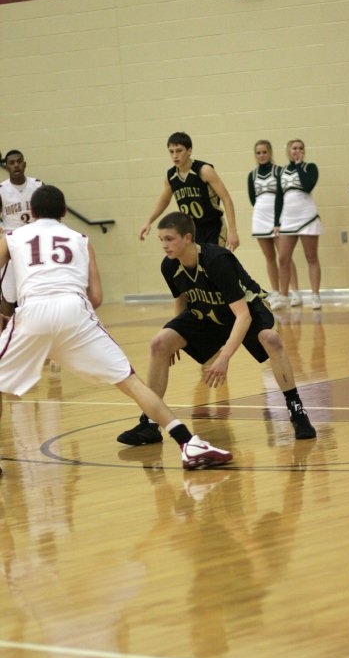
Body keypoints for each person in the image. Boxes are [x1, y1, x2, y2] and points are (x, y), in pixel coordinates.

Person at [0, 184, 232, 471]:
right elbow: (96, 297)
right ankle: (188, 444)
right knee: (131, 382)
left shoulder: (11, 236)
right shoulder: (82, 239)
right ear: (63, 212)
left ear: (31, 212)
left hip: (33, 311)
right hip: (74, 310)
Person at [117, 211, 316, 446]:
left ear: (188, 238)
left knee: (271, 339)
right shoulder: (169, 266)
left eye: (169, 239)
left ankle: (297, 410)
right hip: (209, 311)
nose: (164, 245)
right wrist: (176, 332)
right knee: (159, 343)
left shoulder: (216, 260)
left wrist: (224, 357)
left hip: (246, 307)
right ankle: (150, 423)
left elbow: (242, 316)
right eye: (161, 239)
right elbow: (181, 298)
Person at [138, 132, 239, 251]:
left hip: (213, 226)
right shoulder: (170, 176)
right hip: (190, 229)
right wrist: (149, 221)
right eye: (171, 151)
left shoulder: (204, 170)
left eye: (179, 150)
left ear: (189, 151)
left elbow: (226, 199)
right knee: (197, 267)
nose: (175, 155)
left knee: (214, 265)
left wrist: (233, 231)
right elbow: (164, 201)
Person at [247, 139, 301, 310]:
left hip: (278, 217)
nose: (261, 155)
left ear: (270, 153)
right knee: (269, 257)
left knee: (284, 257)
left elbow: (284, 194)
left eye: (264, 152)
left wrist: (279, 217)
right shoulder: (252, 175)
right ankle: (276, 292)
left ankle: (295, 292)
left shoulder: (279, 171)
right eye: (258, 153)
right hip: (260, 217)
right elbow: (252, 199)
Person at [276, 139, 323, 310]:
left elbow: (307, 186)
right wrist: (276, 222)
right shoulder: (281, 171)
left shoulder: (310, 168)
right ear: (288, 150)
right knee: (282, 258)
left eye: (300, 148)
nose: (297, 150)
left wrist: (298, 164)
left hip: (307, 216)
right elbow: (279, 198)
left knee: (311, 257)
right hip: (288, 218)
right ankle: (283, 296)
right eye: (294, 148)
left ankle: (315, 295)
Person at [0, 149, 43, 325]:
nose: (16, 165)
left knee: (37, 294)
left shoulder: (38, 186)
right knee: (9, 298)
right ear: (7, 166)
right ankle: (3, 340)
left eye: (19, 161)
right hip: (12, 247)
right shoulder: (1, 190)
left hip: (34, 246)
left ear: (24, 164)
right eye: (12, 162)